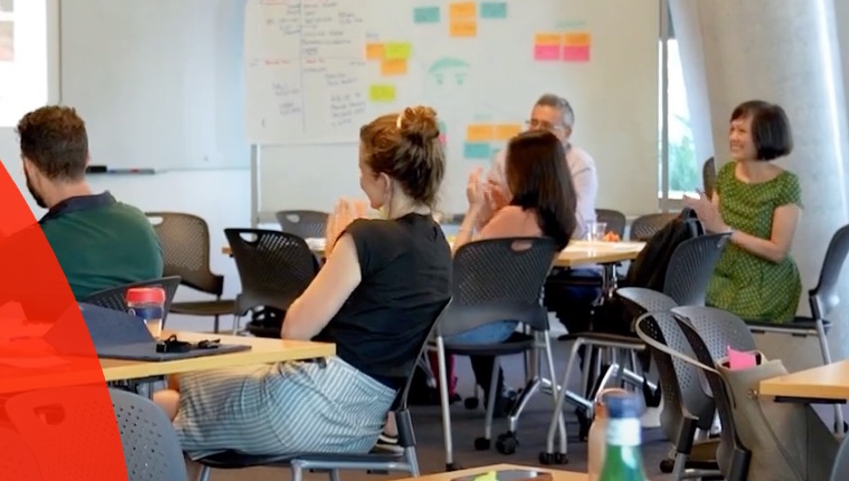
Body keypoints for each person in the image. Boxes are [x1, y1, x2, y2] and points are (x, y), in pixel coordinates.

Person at [156, 107, 452, 456]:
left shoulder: (367, 237)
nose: (359, 179)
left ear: (385, 182)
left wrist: (337, 247)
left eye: (362, 170)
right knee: (185, 388)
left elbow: (295, 330)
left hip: (306, 411)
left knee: (169, 390)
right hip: (361, 424)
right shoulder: (438, 247)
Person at [0, 106, 164, 320]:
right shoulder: (140, 225)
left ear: (30, 167)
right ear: (87, 158)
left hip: (64, 364)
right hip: (135, 362)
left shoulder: (32, 250)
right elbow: (73, 262)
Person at [452, 129, 578, 398]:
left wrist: (474, 208)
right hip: (512, 320)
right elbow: (494, 256)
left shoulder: (513, 215)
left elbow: (458, 261)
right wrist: (491, 216)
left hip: (475, 326)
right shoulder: (557, 217)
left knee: (406, 317)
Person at [685, 100, 803, 323]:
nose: (733, 137)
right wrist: (701, 216)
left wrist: (726, 230)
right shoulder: (726, 174)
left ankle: (726, 358)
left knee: (697, 308)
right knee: (678, 291)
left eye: (741, 131)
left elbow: (778, 252)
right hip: (723, 273)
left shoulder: (786, 184)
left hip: (765, 283)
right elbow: (714, 229)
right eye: (732, 129)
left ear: (764, 135)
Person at [480, 93, 597, 230]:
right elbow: (485, 216)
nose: (536, 131)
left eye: (546, 126)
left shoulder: (580, 164)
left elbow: (578, 227)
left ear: (567, 133)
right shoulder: (507, 157)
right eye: (533, 123)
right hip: (510, 242)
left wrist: (512, 212)